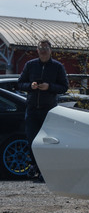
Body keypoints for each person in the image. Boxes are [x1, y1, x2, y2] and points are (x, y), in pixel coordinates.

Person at [17, 39, 69, 182]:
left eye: (46, 48)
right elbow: (20, 84)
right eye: (41, 48)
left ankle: (45, 171)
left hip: (49, 111)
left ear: (51, 50)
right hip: (32, 109)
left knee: (47, 142)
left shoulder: (57, 67)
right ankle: (35, 167)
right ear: (37, 50)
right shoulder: (30, 65)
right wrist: (31, 85)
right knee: (32, 141)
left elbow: (64, 87)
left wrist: (49, 87)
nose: (43, 50)